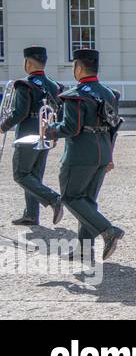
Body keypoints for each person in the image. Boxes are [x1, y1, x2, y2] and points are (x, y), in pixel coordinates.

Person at [49, 49, 125, 261]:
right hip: (102, 151)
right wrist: (109, 155)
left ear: (79, 68)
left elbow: (71, 128)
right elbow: (113, 127)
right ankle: (84, 249)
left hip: (80, 153)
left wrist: (51, 129)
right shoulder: (109, 94)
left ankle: (107, 230)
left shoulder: (77, 95)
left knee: (70, 197)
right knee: (88, 200)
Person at [0, 46, 64, 226]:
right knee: (34, 176)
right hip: (46, 132)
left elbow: (20, 113)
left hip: (28, 134)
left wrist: (2, 127)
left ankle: (54, 199)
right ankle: (31, 214)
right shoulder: (54, 85)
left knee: (21, 174)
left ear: (28, 63)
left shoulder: (25, 84)